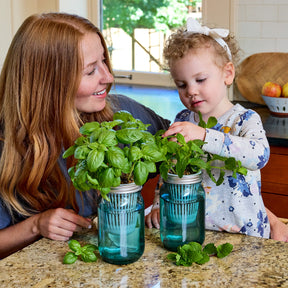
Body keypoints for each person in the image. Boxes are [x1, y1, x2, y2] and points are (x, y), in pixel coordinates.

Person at [0, 12, 170, 258]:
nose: (108, 77)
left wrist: (161, 195)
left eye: (104, 61)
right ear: (50, 82)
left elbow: (181, 146)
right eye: (91, 71)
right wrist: (35, 225)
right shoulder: (7, 146)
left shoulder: (123, 114)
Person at [145, 18, 288, 242]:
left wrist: (204, 136)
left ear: (227, 74)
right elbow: (169, 169)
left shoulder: (245, 119)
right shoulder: (183, 120)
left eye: (200, 79)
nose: (191, 91)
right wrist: (157, 206)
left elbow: (259, 156)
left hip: (245, 233)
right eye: (181, 84)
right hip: (196, 230)